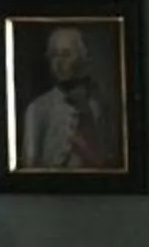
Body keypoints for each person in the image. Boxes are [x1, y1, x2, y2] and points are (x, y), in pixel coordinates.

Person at [19, 24, 122, 172]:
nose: (59, 63)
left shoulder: (98, 106)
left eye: (66, 55)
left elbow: (110, 160)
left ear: (82, 58)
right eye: (54, 55)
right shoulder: (38, 108)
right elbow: (29, 165)